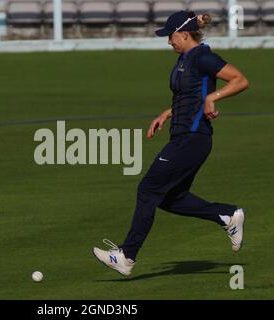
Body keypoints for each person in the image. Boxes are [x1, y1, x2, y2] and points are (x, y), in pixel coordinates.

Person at [93, 11, 250, 276]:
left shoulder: (202, 57)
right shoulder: (184, 59)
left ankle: (127, 256)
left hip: (193, 139)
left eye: (171, 36)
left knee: (148, 189)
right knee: (168, 197)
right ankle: (226, 216)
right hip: (184, 136)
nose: (168, 42)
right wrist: (166, 114)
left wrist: (214, 97)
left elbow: (240, 80)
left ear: (184, 34)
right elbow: (188, 97)